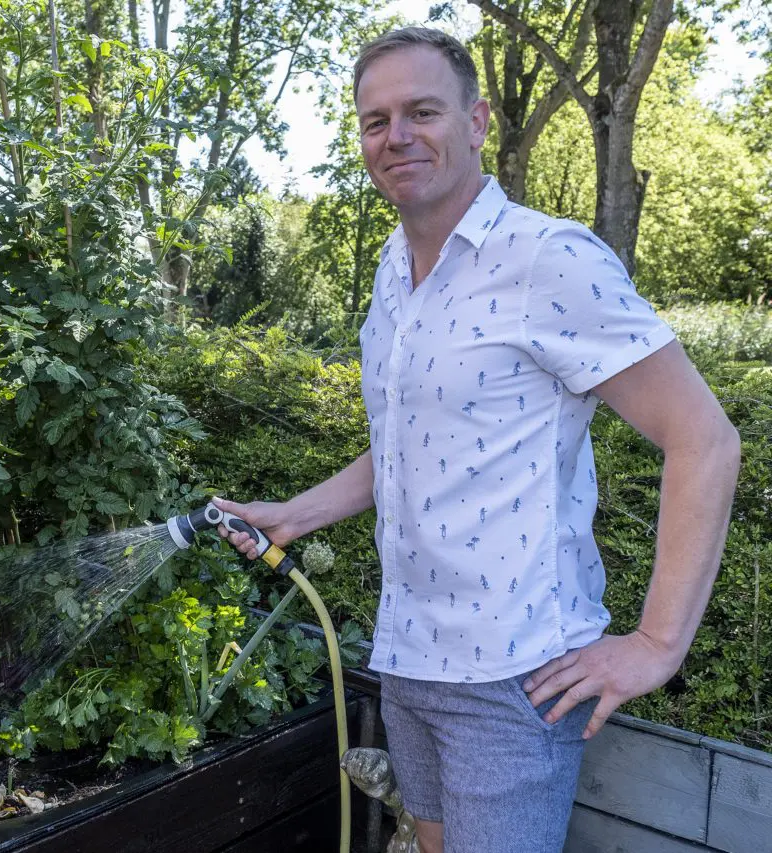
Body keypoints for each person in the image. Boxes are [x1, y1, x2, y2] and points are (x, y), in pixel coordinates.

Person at [215, 27, 741, 853]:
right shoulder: (393, 274)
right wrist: (298, 513)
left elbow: (704, 438)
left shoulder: (547, 259)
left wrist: (656, 644)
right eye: (374, 119)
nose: (396, 136)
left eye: (422, 110)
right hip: (410, 655)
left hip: (514, 674)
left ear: (477, 121)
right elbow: (406, 442)